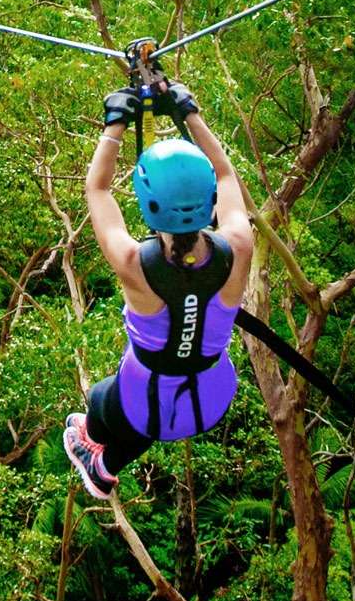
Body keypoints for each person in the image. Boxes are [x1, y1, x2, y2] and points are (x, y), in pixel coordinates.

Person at [62, 77, 255, 499]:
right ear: (206, 203)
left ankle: (92, 452)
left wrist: (115, 123)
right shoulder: (237, 247)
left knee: (101, 402)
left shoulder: (137, 264)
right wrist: (189, 113)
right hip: (211, 396)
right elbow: (225, 174)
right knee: (148, 416)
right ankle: (104, 469)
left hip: (145, 398)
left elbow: (97, 190)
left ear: (150, 204)